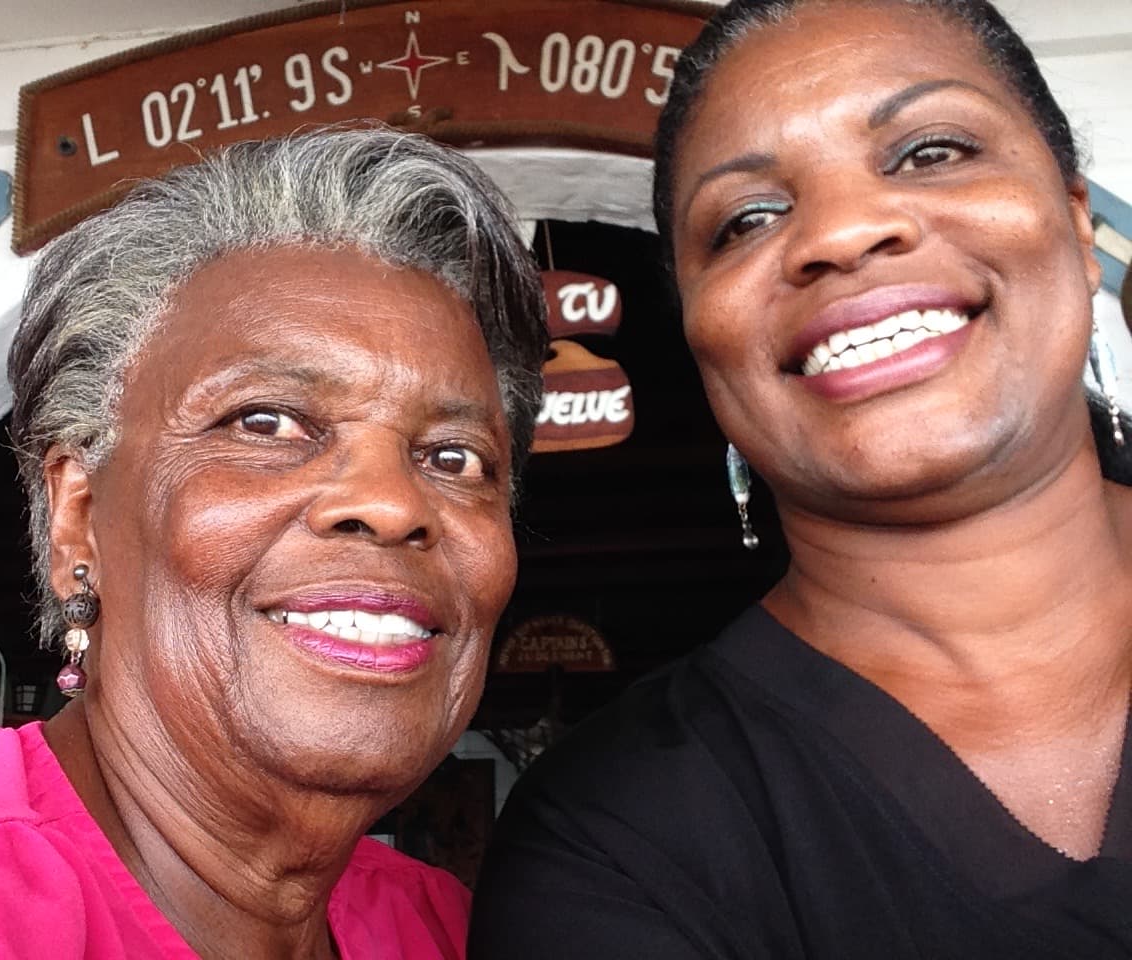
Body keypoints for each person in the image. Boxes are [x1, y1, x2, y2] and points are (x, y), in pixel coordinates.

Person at [469, 1, 1132, 956]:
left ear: (1074, 223)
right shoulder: (612, 840)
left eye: (931, 152)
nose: (845, 232)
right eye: (746, 219)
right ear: (698, 334)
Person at [0, 127, 547, 959]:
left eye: (454, 458)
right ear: (79, 517)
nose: (392, 503)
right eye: (265, 422)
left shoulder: (443, 930)